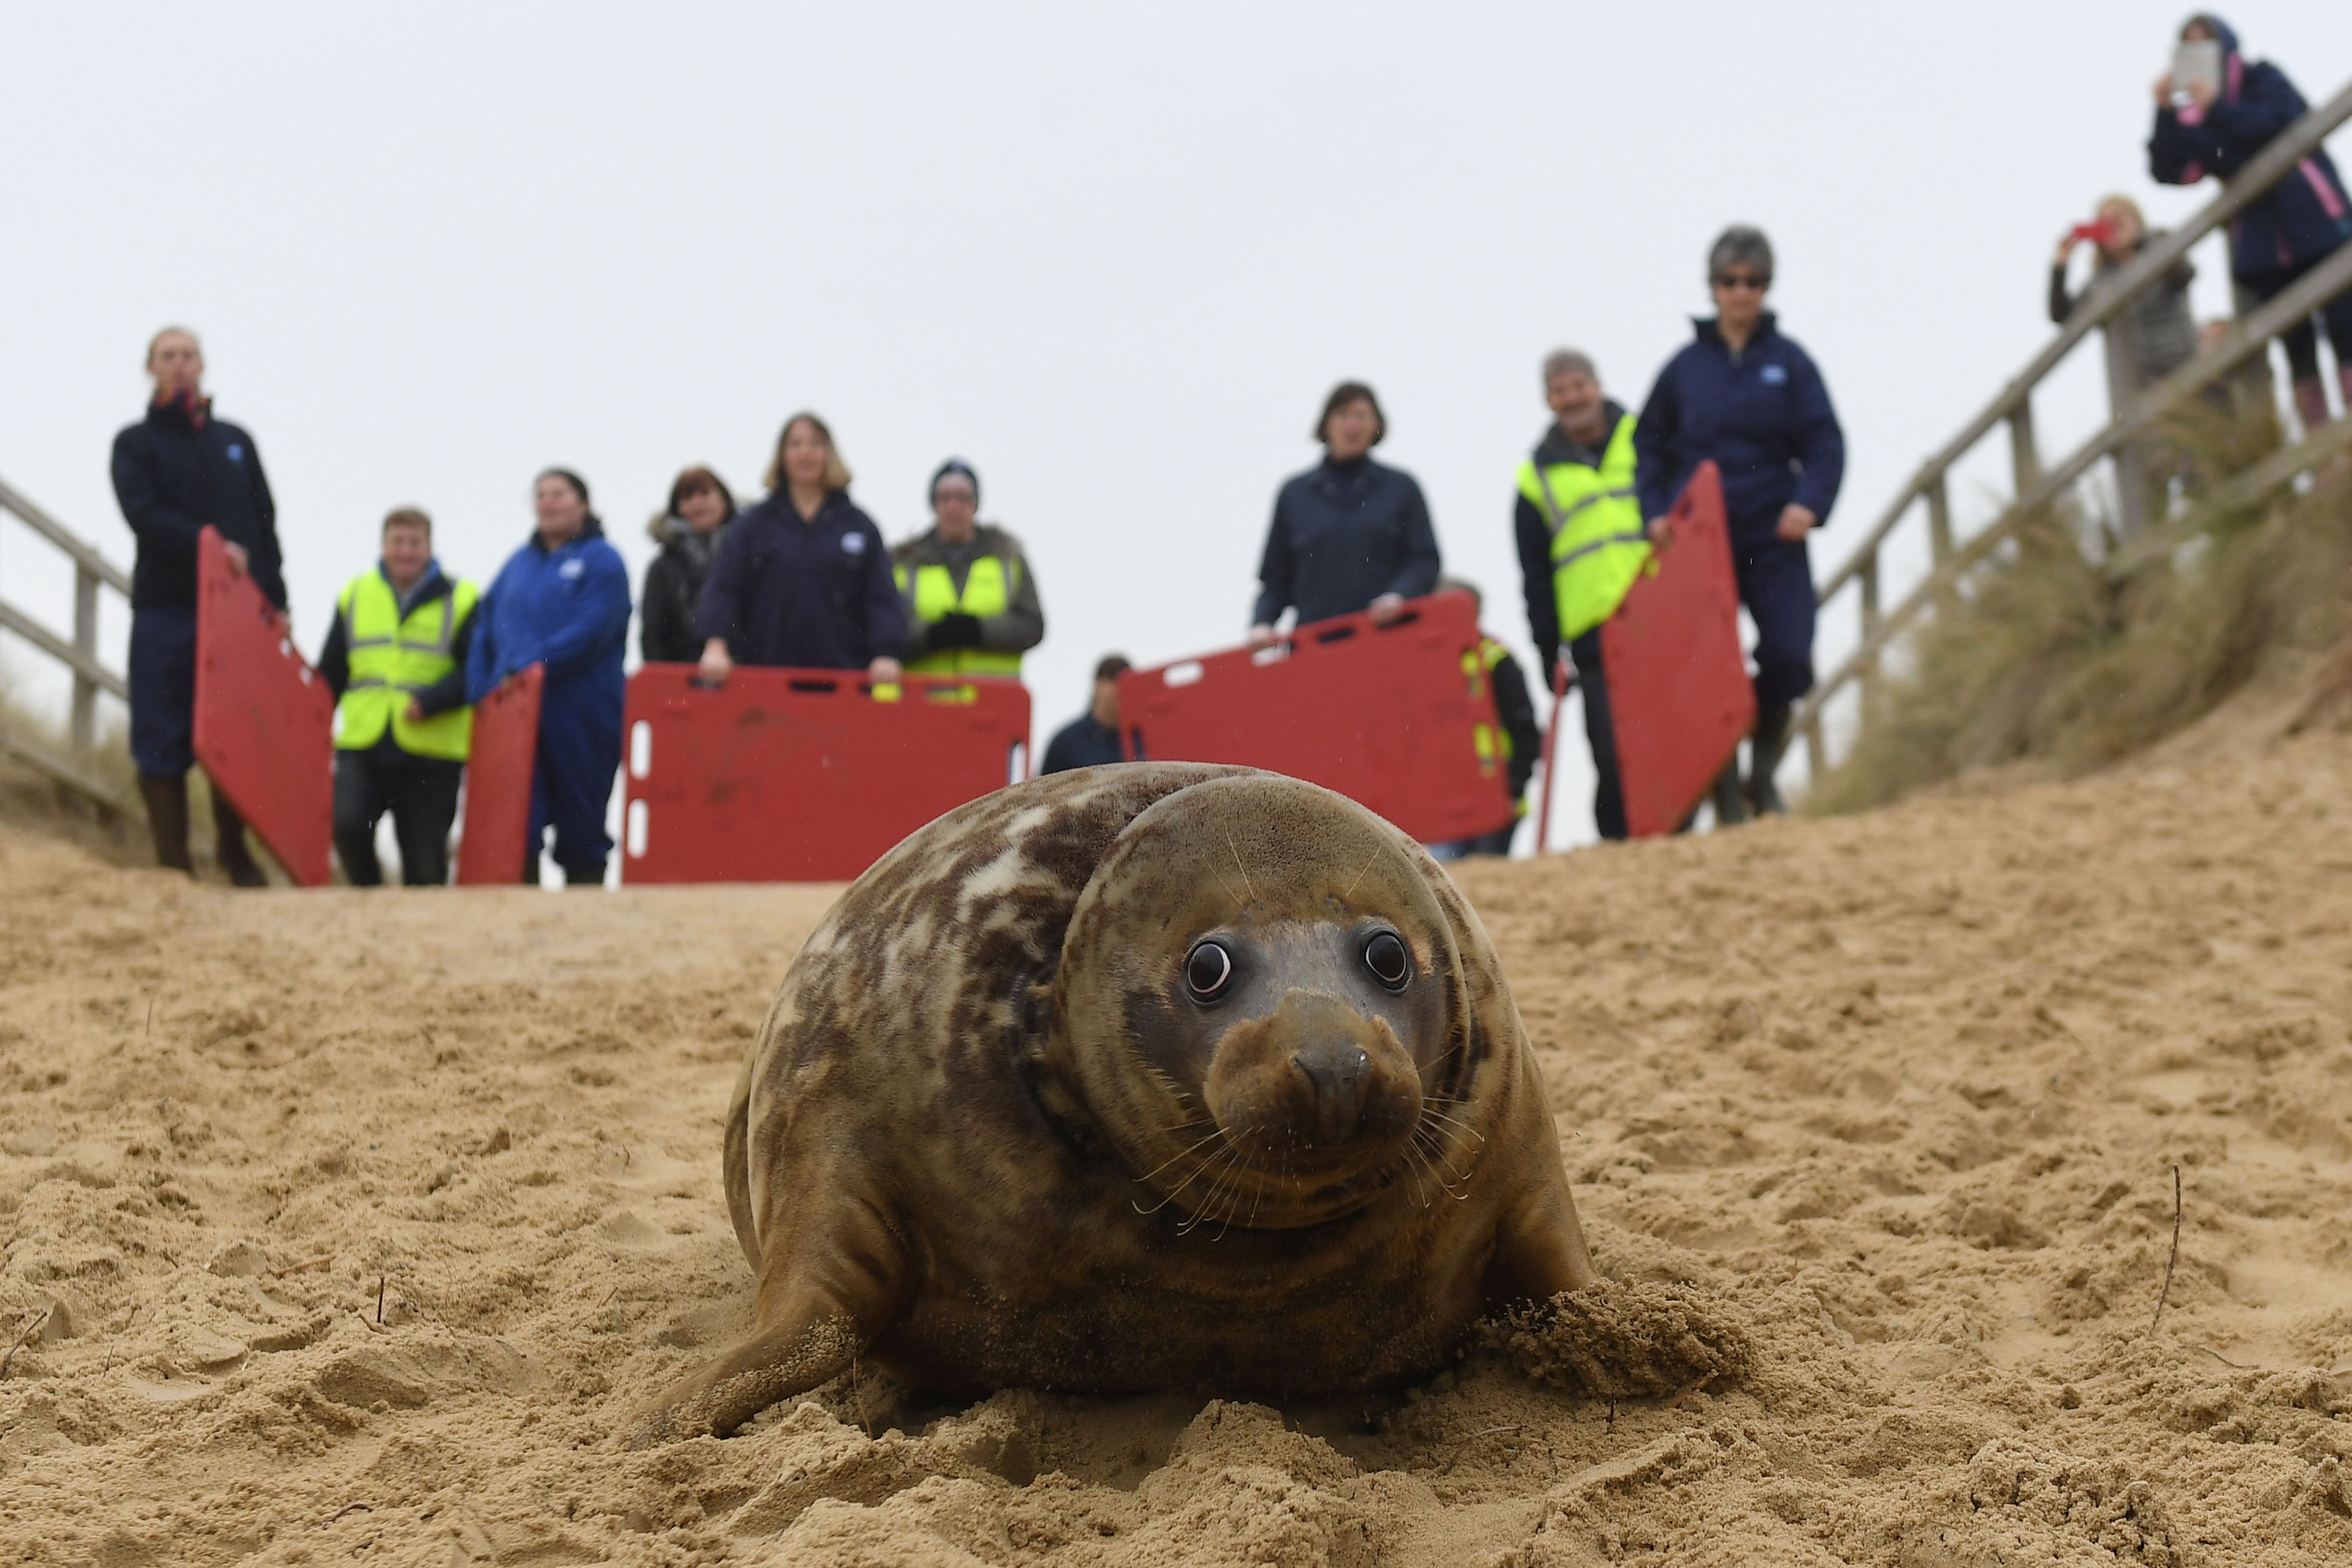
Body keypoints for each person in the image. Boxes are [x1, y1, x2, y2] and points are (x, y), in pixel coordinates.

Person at [1634, 225, 1846, 820]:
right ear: (1713, 287)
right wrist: (1654, 514)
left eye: (1753, 282)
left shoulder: (1791, 363)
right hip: (1702, 544)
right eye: (1730, 281)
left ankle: (1763, 771)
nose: (1741, 292)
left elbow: (1826, 441)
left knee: (1789, 654)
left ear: (1766, 288)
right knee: (1709, 672)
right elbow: (1645, 449)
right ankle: (1727, 799)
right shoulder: (1682, 370)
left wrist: (1811, 502)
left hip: (1773, 533)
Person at [110, 326, 284, 885]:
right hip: (167, 608)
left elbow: (265, 524)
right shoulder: (134, 444)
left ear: (203, 365)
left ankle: (236, 857)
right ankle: (174, 867)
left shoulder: (236, 440)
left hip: (236, 617)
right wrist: (206, 545)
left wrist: (276, 598)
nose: (180, 365)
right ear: (151, 368)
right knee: (161, 731)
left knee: (233, 730)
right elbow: (144, 515)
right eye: (168, 356)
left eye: (188, 355)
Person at [2150, 15, 2352, 433]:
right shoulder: (2193, 118)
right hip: (2264, 248)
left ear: (2226, 46)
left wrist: (2218, 108)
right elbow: (2172, 169)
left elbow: (2278, 125)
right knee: (2297, 350)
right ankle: (2327, 460)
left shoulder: (2263, 79)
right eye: (2190, 50)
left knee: (2348, 328)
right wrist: (2165, 112)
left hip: (2317, 222)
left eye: (2207, 46)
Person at [467, 470, 631, 887]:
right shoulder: (517, 566)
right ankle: (522, 913)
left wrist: (533, 666)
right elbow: (483, 624)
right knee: (518, 819)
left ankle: (586, 913)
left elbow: (594, 629)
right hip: (515, 713)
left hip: (581, 711)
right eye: (540, 495)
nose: (548, 502)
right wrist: (481, 686)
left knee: (582, 819)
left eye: (559, 493)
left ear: (583, 503)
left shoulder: (603, 561)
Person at [1512, 350, 1649, 842]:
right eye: (1560, 390)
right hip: (1594, 633)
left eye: (1578, 386)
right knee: (1612, 754)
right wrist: (1548, 650)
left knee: (1675, 738)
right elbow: (1536, 575)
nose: (1572, 398)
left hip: (1660, 614)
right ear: (1548, 400)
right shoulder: (1535, 479)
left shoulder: (1648, 437)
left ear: (1597, 384)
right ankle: (1618, 847)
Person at [317, 508, 477, 886]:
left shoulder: (463, 597)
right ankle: (370, 900)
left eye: (415, 543)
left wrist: (433, 700)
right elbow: (330, 672)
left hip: (431, 749)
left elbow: (477, 671)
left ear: (429, 548)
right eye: (398, 542)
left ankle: (422, 937)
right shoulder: (356, 594)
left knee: (425, 865)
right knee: (348, 825)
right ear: (383, 545)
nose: (406, 551)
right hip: (364, 738)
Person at [696, 413, 905, 686]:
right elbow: (724, 586)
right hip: (766, 682)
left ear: (829, 454)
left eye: (815, 444)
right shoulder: (754, 526)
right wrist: (716, 644)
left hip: (841, 684)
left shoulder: (859, 526)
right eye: (796, 445)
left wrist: (886, 653)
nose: (806, 453)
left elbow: (881, 596)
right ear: (782, 456)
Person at [2050, 195, 2199, 534]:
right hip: (2137, 387)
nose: (2114, 225)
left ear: (2137, 219)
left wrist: (2141, 243)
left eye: (2121, 217)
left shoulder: (2160, 244)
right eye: (2106, 221)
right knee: (2154, 477)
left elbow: (2185, 273)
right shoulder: (2101, 281)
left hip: (2186, 368)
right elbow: (2061, 315)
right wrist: (2061, 263)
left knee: (2199, 465)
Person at [1248, 382, 1440, 645]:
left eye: (1361, 416)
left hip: (1387, 644)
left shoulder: (1401, 489)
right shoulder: (1295, 495)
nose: (1352, 425)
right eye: (1342, 415)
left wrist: (1399, 596)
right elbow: (1275, 578)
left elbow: (1423, 560)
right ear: (1326, 424)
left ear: (1377, 425)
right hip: (1315, 650)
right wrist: (1262, 623)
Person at [892, 460, 1046, 677]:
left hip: (993, 702)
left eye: (962, 498)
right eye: (945, 498)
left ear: (975, 504)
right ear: (934, 504)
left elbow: (1032, 626)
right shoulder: (904, 564)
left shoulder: (1008, 559)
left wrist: (978, 631)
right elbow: (887, 631)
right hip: (926, 702)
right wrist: (931, 635)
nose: (954, 506)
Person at [1428, 581, 1540, 860]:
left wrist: (1514, 789)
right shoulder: (1424, 667)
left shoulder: (1496, 660)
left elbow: (1525, 730)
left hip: (1493, 796)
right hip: (1444, 800)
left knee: (1478, 882)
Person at [640, 467, 736, 664]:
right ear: (677, 509)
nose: (697, 503)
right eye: (687, 498)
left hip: (750, 677)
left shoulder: (750, 558)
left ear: (725, 499)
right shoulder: (663, 568)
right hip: (683, 682)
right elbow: (653, 635)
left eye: (705, 493)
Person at [1040, 654, 1132, 774]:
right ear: (1098, 685)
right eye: (1113, 681)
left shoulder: (1139, 741)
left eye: (1126, 683)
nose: (1119, 689)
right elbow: (1044, 790)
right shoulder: (1066, 743)